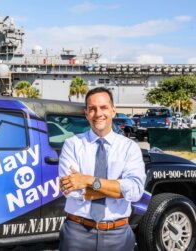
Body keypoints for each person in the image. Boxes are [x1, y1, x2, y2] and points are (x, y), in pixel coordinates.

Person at [58, 87, 146, 251]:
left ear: (113, 111)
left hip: (118, 234)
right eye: (92, 109)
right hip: (77, 233)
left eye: (104, 107)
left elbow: (134, 191)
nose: (98, 113)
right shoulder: (72, 145)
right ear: (86, 113)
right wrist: (117, 190)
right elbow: (71, 191)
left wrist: (88, 180)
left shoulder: (129, 148)